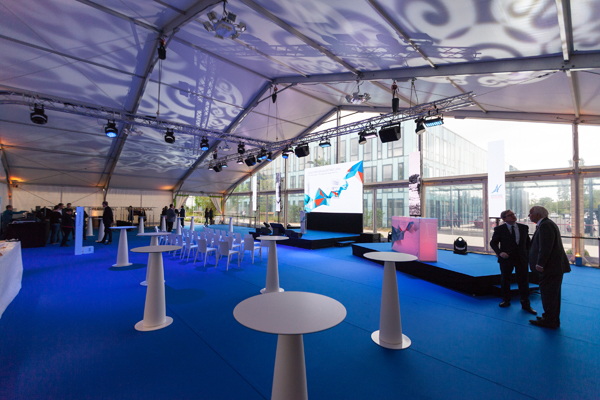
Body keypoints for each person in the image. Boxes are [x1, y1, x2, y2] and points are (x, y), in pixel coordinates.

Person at [528, 206, 571, 329]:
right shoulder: (547, 224)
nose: (529, 216)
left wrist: (540, 264)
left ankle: (550, 320)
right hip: (553, 267)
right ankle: (550, 317)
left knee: (549, 295)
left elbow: (545, 247)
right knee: (551, 295)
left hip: (549, 268)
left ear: (538, 215)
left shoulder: (545, 225)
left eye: (531, 213)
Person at [490, 209, 536, 314]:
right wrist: (500, 252)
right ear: (504, 219)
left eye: (513, 214)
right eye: (510, 215)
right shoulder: (499, 229)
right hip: (506, 258)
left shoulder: (524, 227)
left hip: (521, 258)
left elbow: (527, 243)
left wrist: (528, 254)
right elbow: (493, 243)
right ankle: (506, 300)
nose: (513, 216)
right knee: (505, 279)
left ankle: (525, 304)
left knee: (524, 280)